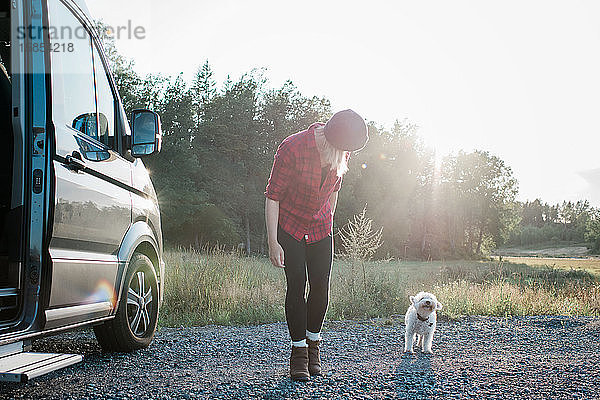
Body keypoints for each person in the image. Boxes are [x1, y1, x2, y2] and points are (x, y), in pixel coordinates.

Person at [264, 109, 368, 381]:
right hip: (290, 227)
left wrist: (329, 221)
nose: (345, 155)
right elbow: (272, 196)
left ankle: (314, 348)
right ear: (329, 140)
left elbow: (334, 191)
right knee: (297, 285)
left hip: (321, 228)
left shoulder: (343, 149)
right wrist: (273, 240)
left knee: (321, 285)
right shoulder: (292, 148)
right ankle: (298, 353)